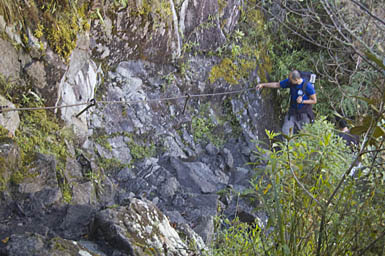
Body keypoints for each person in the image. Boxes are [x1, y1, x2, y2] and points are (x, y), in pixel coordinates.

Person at [256, 70, 317, 135]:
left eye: (290, 80)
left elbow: (314, 100)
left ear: (296, 80)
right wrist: (263, 85)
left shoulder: (308, 86)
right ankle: (288, 144)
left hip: (304, 114)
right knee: (285, 132)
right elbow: (277, 84)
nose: (289, 81)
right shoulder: (290, 82)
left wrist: (302, 101)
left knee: (304, 135)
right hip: (292, 112)